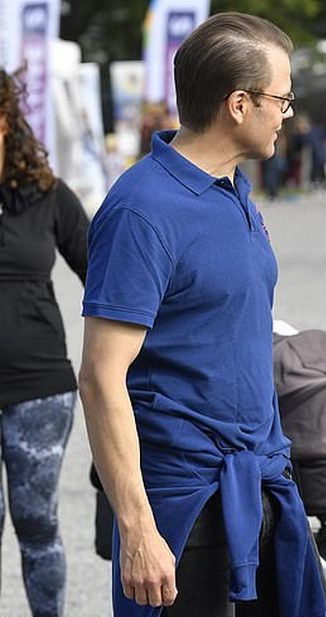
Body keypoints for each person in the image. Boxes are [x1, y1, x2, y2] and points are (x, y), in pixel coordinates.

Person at [78, 13, 326, 617]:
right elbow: (100, 377)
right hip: (183, 502)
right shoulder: (142, 210)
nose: (289, 112)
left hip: (257, 483)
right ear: (239, 104)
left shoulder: (234, 189)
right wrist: (137, 529)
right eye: (282, 98)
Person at [0, 67, 89, 617]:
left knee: (37, 522)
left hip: (39, 389)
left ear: (7, 121)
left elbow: (107, 279)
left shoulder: (46, 195)